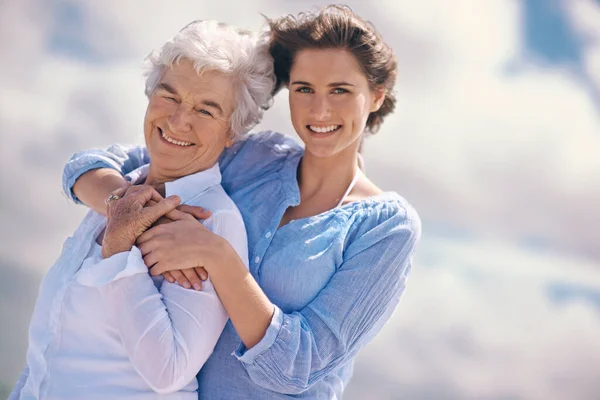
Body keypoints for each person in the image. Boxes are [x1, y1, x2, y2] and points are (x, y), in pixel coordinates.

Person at [60, 5, 421, 399]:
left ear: (375, 97)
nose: (319, 110)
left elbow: (297, 366)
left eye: (340, 90)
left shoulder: (386, 227)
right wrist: (136, 214)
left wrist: (219, 257)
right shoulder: (252, 158)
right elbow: (88, 167)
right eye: (304, 89)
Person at [10, 20, 275, 400]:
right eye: (170, 96)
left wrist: (121, 250)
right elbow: (49, 353)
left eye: (206, 110)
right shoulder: (122, 192)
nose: (179, 120)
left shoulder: (211, 222)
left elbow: (168, 370)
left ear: (232, 132)